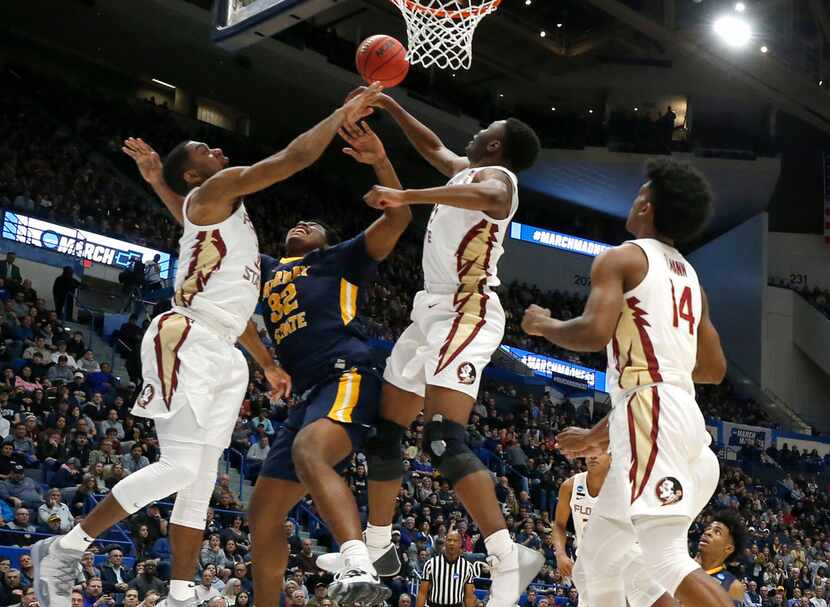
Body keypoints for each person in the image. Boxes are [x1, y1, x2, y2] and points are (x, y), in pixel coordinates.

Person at [31, 85, 383, 607]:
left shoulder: (222, 218)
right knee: (178, 467)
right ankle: (63, 549)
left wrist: (265, 361)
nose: (217, 149)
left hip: (225, 349)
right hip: (187, 338)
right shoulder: (215, 192)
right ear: (197, 176)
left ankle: (179, 593)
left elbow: (227, 292)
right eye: (204, 151)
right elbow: (292, 158)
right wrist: (340, 114)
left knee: (200, 480)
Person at [318, 87, 543, 607]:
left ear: (496, 147)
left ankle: (510, 556)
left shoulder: (500, 181)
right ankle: (377, 547)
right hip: (430, 312)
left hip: (469, 308)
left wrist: (406, 197)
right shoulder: (467, 170)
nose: (478, 130)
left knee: (441, 440)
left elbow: (488, 198)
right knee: (384, 434)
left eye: (489, 128)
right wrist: (394, 108)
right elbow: (435, 149)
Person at [527, 159, 729, 607]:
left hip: (654, 410)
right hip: (679, 413)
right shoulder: (691, 278)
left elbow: (593, 333)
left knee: (664, 559)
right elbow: (713, 368)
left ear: (648, 204)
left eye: (641, 191)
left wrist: (544, 326)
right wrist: (604, 429)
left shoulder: (622, 257)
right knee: (595, 563)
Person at [246, 119, 410, 607]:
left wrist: (380, 161)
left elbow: (398, 219)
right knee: (261, 515)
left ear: (323, 240)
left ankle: (359, 565)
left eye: (312, 225)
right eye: (296, 223)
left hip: (347, 375)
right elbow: (214, 238)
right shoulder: (268, 269)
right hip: (304, 393)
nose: (302, 224)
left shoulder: (339, 259)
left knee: (310, 453)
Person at [694, 512, 747, 606]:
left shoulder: (733, 586)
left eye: (717, 532)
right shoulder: (682, 566)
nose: (707, 532)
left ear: (728, 548)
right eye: (708, 529)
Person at [415, 531, 476, 607]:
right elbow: (422, 593)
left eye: (455, 541)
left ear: (460, 544)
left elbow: (469, 597)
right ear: (445, 542)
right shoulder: (431, 564)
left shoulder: (467, 567)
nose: (452, 543)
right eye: (449, 540)